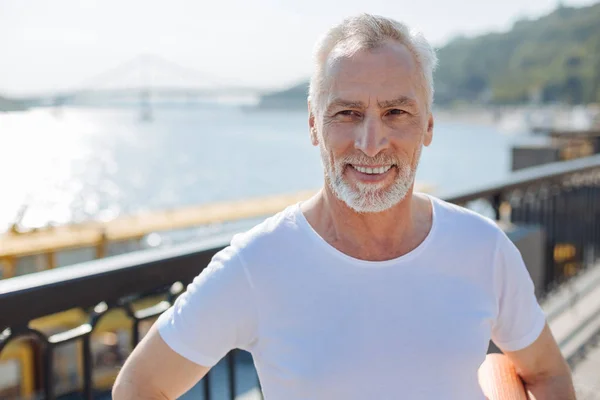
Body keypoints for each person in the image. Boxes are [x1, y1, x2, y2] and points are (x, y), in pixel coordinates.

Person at [113, 14, 576, 399]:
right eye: (347, 113)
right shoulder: (257, 264)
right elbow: (139, 386)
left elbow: (548, 374)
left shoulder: (484, 249)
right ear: (314, 126)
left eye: (396, 112)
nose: (371, 143)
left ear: (428, 126)